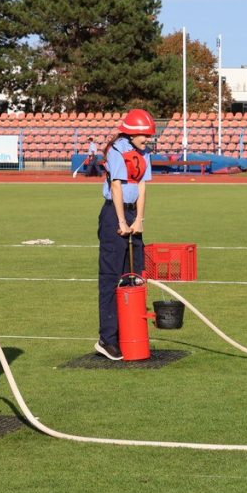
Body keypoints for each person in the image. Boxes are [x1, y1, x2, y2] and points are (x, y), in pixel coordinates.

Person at [96, 109, 154, 360]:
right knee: (111, 278)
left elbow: (141, 185)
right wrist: (121, 221)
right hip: (113, 215)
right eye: (144, 135)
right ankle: (107, 338)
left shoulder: (144, 153)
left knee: (134, 275)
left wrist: (139, 219)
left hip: (132, 214)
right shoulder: (117, 151)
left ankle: (131, 331)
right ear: (131, 133)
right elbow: (116, 186)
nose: (147, 140)